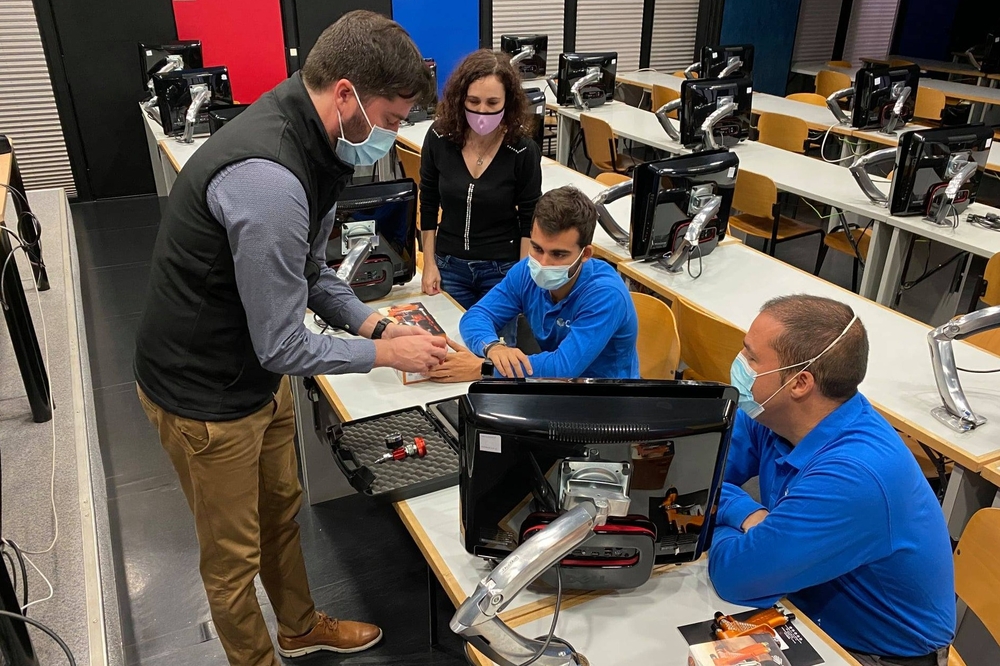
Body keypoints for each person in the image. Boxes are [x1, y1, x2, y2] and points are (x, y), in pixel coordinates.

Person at [133, 12, 448, 666]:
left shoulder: (315, 141)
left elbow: (308, 272)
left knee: (281, 511)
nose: (393, 133)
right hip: (203, 395)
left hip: (254, 377)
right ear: (345, 96)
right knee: (231, 559)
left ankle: (299, 627)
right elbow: (282, 345)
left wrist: (374, 323)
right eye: (391, 118)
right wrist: (388, 354)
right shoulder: (272, 177)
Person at [709, 295, 954, 666]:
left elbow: (736, 577)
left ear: (800, 383)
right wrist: (745, 513)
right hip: (804, 604)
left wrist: (721, 520)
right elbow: (698, 478)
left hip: (875, 654)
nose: (740, 365)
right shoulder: (775, 416)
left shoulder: (854, 475)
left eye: (751, 357)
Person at [428, 186, 639, 382]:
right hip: (553, 390)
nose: (543, 263)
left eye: (558, 254)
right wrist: (493, 348)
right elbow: (476, 316)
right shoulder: (526, 272)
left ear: (585, 254)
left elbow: (563, 367)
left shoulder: (605, 294)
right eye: (537, 248)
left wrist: (483, 368)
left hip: (605, 402)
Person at [418, 49, 543, 318]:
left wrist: (520, 281)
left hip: (501, 271)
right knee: (448, 349)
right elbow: (428, 203)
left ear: (507, 102)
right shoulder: (439, 137)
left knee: (495, 353)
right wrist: (429, 263)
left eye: (492, 102)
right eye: (473, 101)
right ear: (460, 98)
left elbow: (529, 220)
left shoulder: (522, 151)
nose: (481, 111)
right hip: (449, 266)